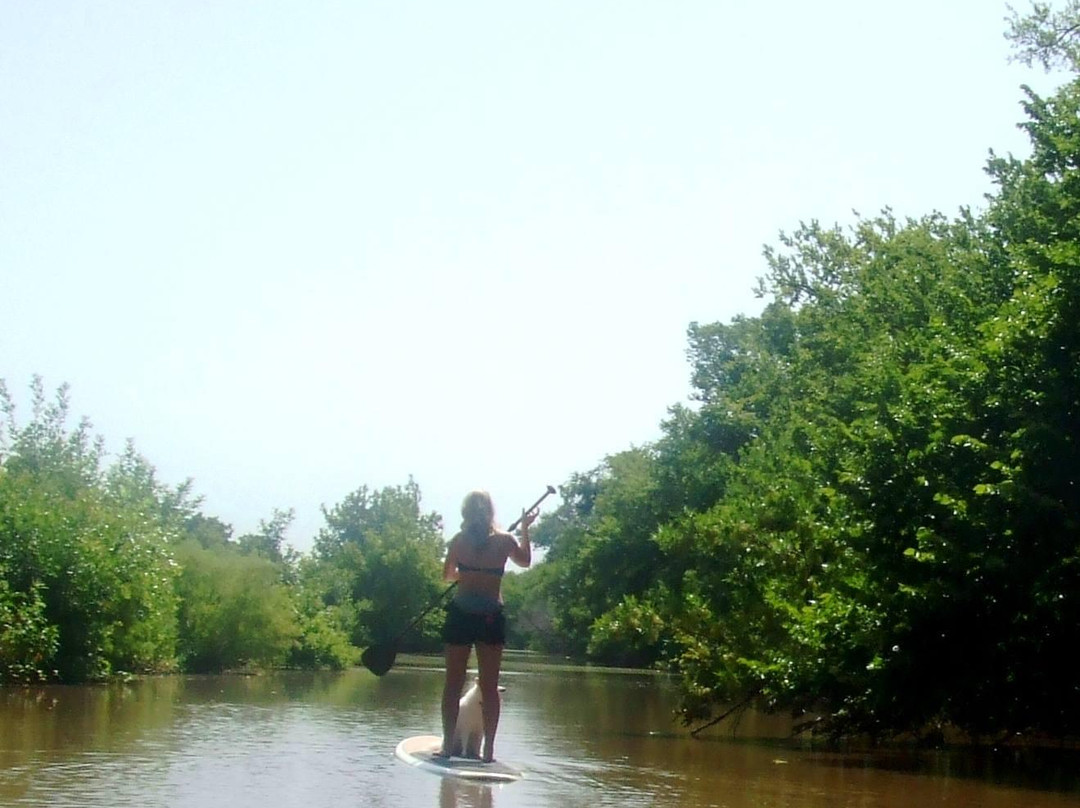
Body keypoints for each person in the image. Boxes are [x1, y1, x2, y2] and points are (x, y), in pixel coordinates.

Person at [438, 490, 536, 762]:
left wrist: (467, 573)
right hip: (490, 616)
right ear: (491, 511)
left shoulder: (458, 541)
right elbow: (525, 562)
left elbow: (447, 576)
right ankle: (488, 751)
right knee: (490, 686)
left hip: (461, 614)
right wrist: (525, 530)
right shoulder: (505, 540)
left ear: (465, 512)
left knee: (453, 683)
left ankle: (448, 746)